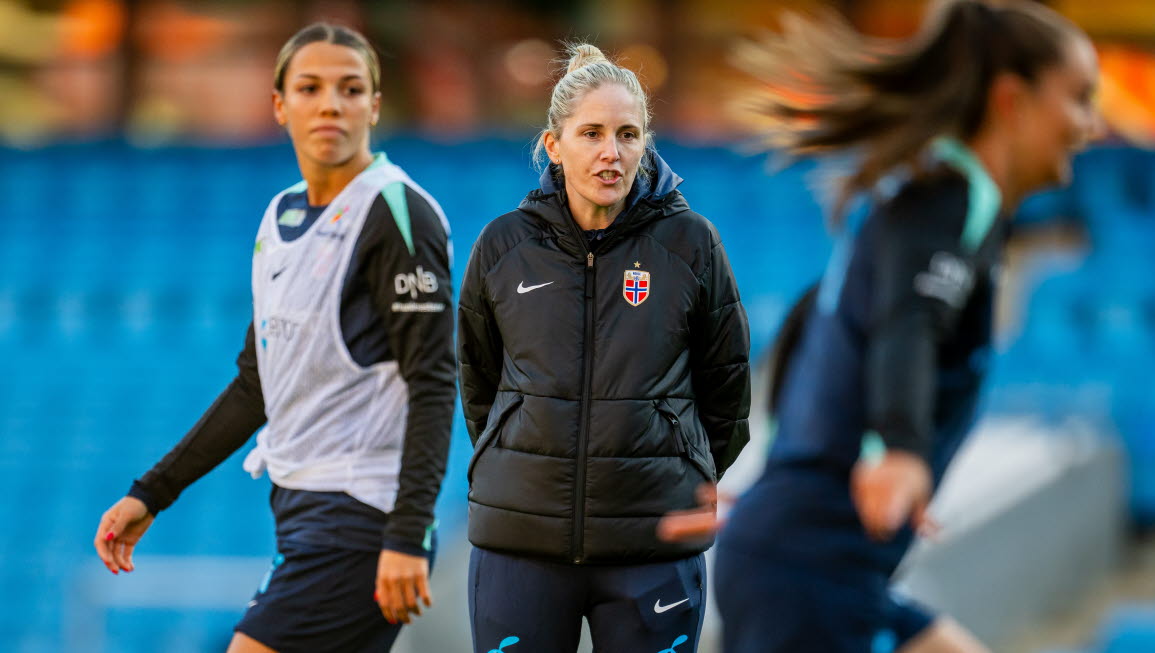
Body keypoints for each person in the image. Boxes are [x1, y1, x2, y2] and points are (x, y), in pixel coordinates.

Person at [660, 1, 1102, 651]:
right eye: (1079, 99)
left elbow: (828, 335)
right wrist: (897, 447)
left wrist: (778, 482)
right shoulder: (948, 199)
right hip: (809, 571)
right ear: (1012, 99)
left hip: (806, 561)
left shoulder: (933, 207)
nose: (1090, 125)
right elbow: (908, 327)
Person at [93, 23, 456, 653]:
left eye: (350, 89)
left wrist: (407, 535)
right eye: (310, 88)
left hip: (361, 516)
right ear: (280, 105)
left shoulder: (397, 213)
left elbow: (433, 383)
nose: (330, 104)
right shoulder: (281, 214)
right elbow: (257, 381)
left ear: (374, 104)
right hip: (300, 512)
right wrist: (153, 492)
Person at [457, 42, 751, 653]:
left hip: (654, 544)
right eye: (590, 133)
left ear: (646, 144)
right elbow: (478, 380)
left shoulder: (691, 244)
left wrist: (679, 466)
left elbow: (728, 388)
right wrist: (525, 455)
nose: (610, 152)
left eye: (628, 134)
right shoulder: (502, 246)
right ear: (553, 145)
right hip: (522, 543)